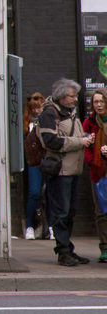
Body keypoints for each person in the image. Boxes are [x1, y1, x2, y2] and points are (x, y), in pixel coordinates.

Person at [37, 78, 95, 266]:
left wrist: (86, 138)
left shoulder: (71, 113)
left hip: (73, 170)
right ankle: (62, 251)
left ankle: (68, 248)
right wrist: (80, 142)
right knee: (61, 213)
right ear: (61, 96)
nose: (75, 99)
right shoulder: (49, 114)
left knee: (70, 212)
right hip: (60, 171)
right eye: (72, 96)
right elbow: (51, 142)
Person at [82, 89, 107, 262]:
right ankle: (105, 248)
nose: (98, 105)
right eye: (96, 102)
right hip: (98, 172)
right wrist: (92, 161)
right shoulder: (89, 123)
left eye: (102, 101)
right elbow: (86, 147)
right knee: (101, 212)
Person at [23, 91, 47, 240]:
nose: (37, 111)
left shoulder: (48, 119)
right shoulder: (28, 123)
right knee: (34, 192)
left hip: (48, 159)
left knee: (50, 193)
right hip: (33, 161)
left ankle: (50, 226)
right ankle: (29, 226)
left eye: (39, 107)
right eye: (34, 108)